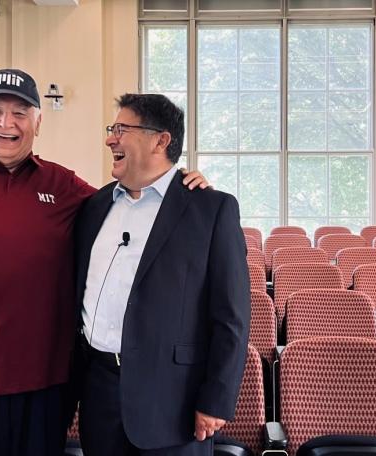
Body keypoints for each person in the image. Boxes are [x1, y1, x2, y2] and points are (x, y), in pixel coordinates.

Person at [0, 69, 207, 456]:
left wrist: (180, 185)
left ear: (38, 123)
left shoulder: (64, 187)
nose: (6, 124)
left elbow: (135, 203)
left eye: (21, 113)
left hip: (47, 386)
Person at [74, 93, 250, 456]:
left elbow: (231, 316)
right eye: (112, 129)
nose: (110, 139)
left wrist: (216, 399)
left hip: (174, 401)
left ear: (161, 140)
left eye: (121, 129)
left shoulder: (210, 209)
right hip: (100, 394)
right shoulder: (94, 207)